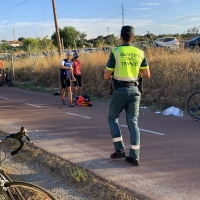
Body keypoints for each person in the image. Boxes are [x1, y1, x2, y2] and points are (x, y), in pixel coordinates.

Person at [104, 26, 150, 166]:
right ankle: (134, 156)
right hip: (135, 90)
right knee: (133, 122)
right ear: (133, 38)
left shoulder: (116, 51)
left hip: (119, 90)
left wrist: (108, 71)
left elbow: (106, 76)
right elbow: (147, 74)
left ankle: (119, 150)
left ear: (120, 37)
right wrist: (135, 71)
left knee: (112, 117)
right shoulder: (140, 52)